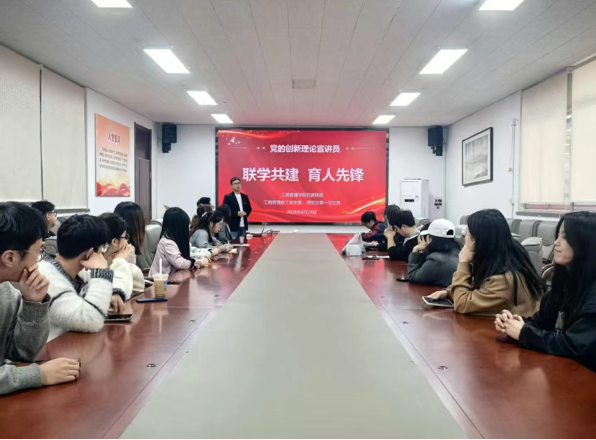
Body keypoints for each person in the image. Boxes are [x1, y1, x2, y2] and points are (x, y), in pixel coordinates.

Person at [495, 212, 596, 372]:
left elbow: (574, 346)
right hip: (561, 373)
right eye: (558, 236)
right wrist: (515, 322)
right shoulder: (566, 282)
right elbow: (543, 321)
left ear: (586, 243)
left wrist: (524, 333)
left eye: (565, 237)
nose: (556, 242)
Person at [0, 202, 80, 395]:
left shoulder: (6, 291)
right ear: (10, 258)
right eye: (39, 252)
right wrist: (39, 374)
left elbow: (22, 354)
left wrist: (34, 303)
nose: (39, 261)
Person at [429, 209, 545, 316]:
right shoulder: (501, 258)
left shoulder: (504, 280)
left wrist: (463, 263)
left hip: (514, 331)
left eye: (466, 233)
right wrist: (449, 292)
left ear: (475, 241)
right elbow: (480, 286)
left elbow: (462, 304)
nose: (464, 238)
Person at [38, 215, 117, 340]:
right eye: (103, 248)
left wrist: (114, 294)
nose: (103, 253)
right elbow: (91, 321)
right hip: (52, 350)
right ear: (90, 253)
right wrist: (101, 272)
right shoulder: (46, 279)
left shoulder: (75, 272)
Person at [99, 213, 145, 305]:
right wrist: (120, 261)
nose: (127, 241)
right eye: (125, 237)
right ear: (114, 241)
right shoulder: (90, 268)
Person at [149, 208, 209, 276]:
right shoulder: (167, 242)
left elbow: (186, 256)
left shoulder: (176, 241)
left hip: (173, 278)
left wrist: (198, 260)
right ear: (179, 227)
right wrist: (197, 263)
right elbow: (180, 263)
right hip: (160, 281)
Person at [408, 219, 461, 287]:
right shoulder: (458, 252)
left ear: (429, 238)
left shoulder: (436, 260)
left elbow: (412, 276)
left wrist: (415, 250)